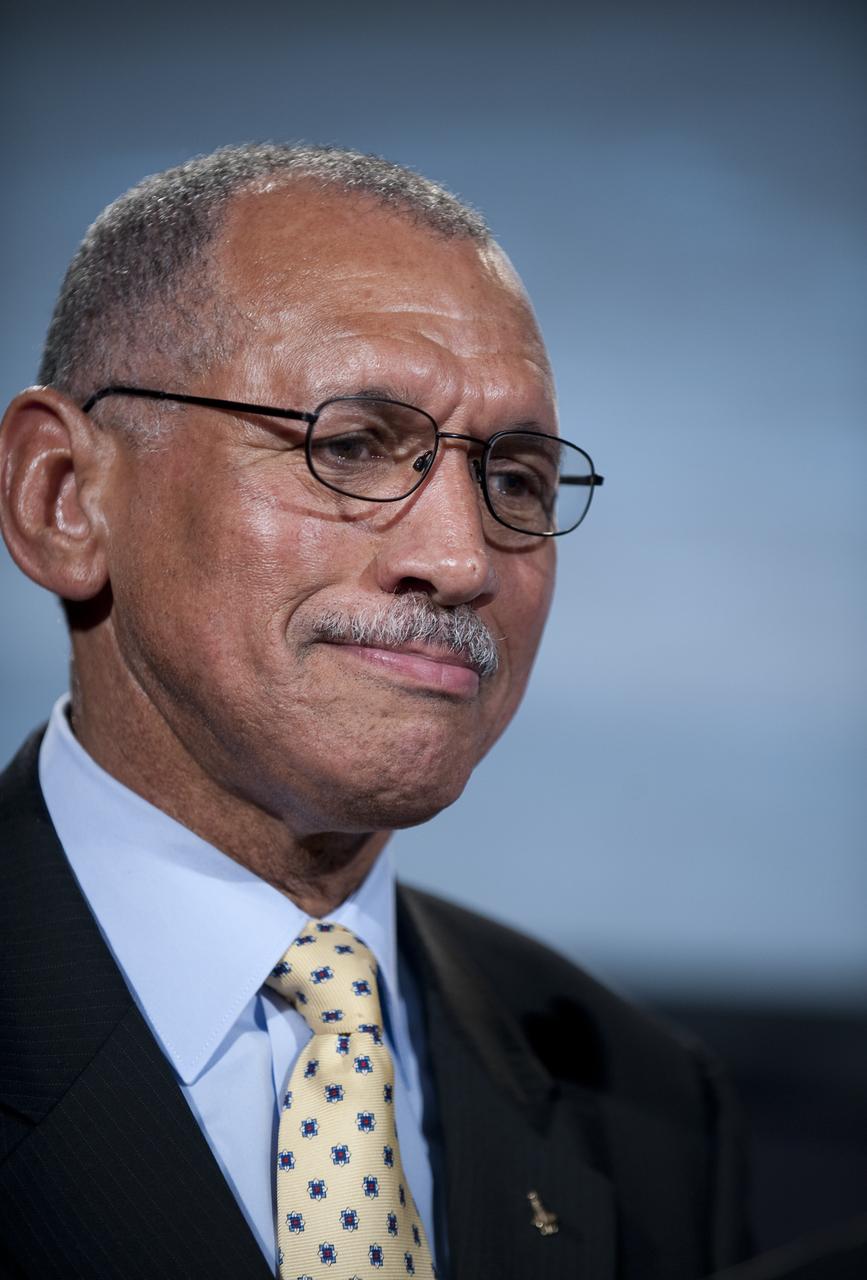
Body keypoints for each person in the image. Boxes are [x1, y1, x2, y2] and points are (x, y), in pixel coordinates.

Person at [0, 143, 750, 1279]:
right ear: (63, 497)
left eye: (515, 480)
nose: (459, 558)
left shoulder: (644, 1101)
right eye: (349, 446)